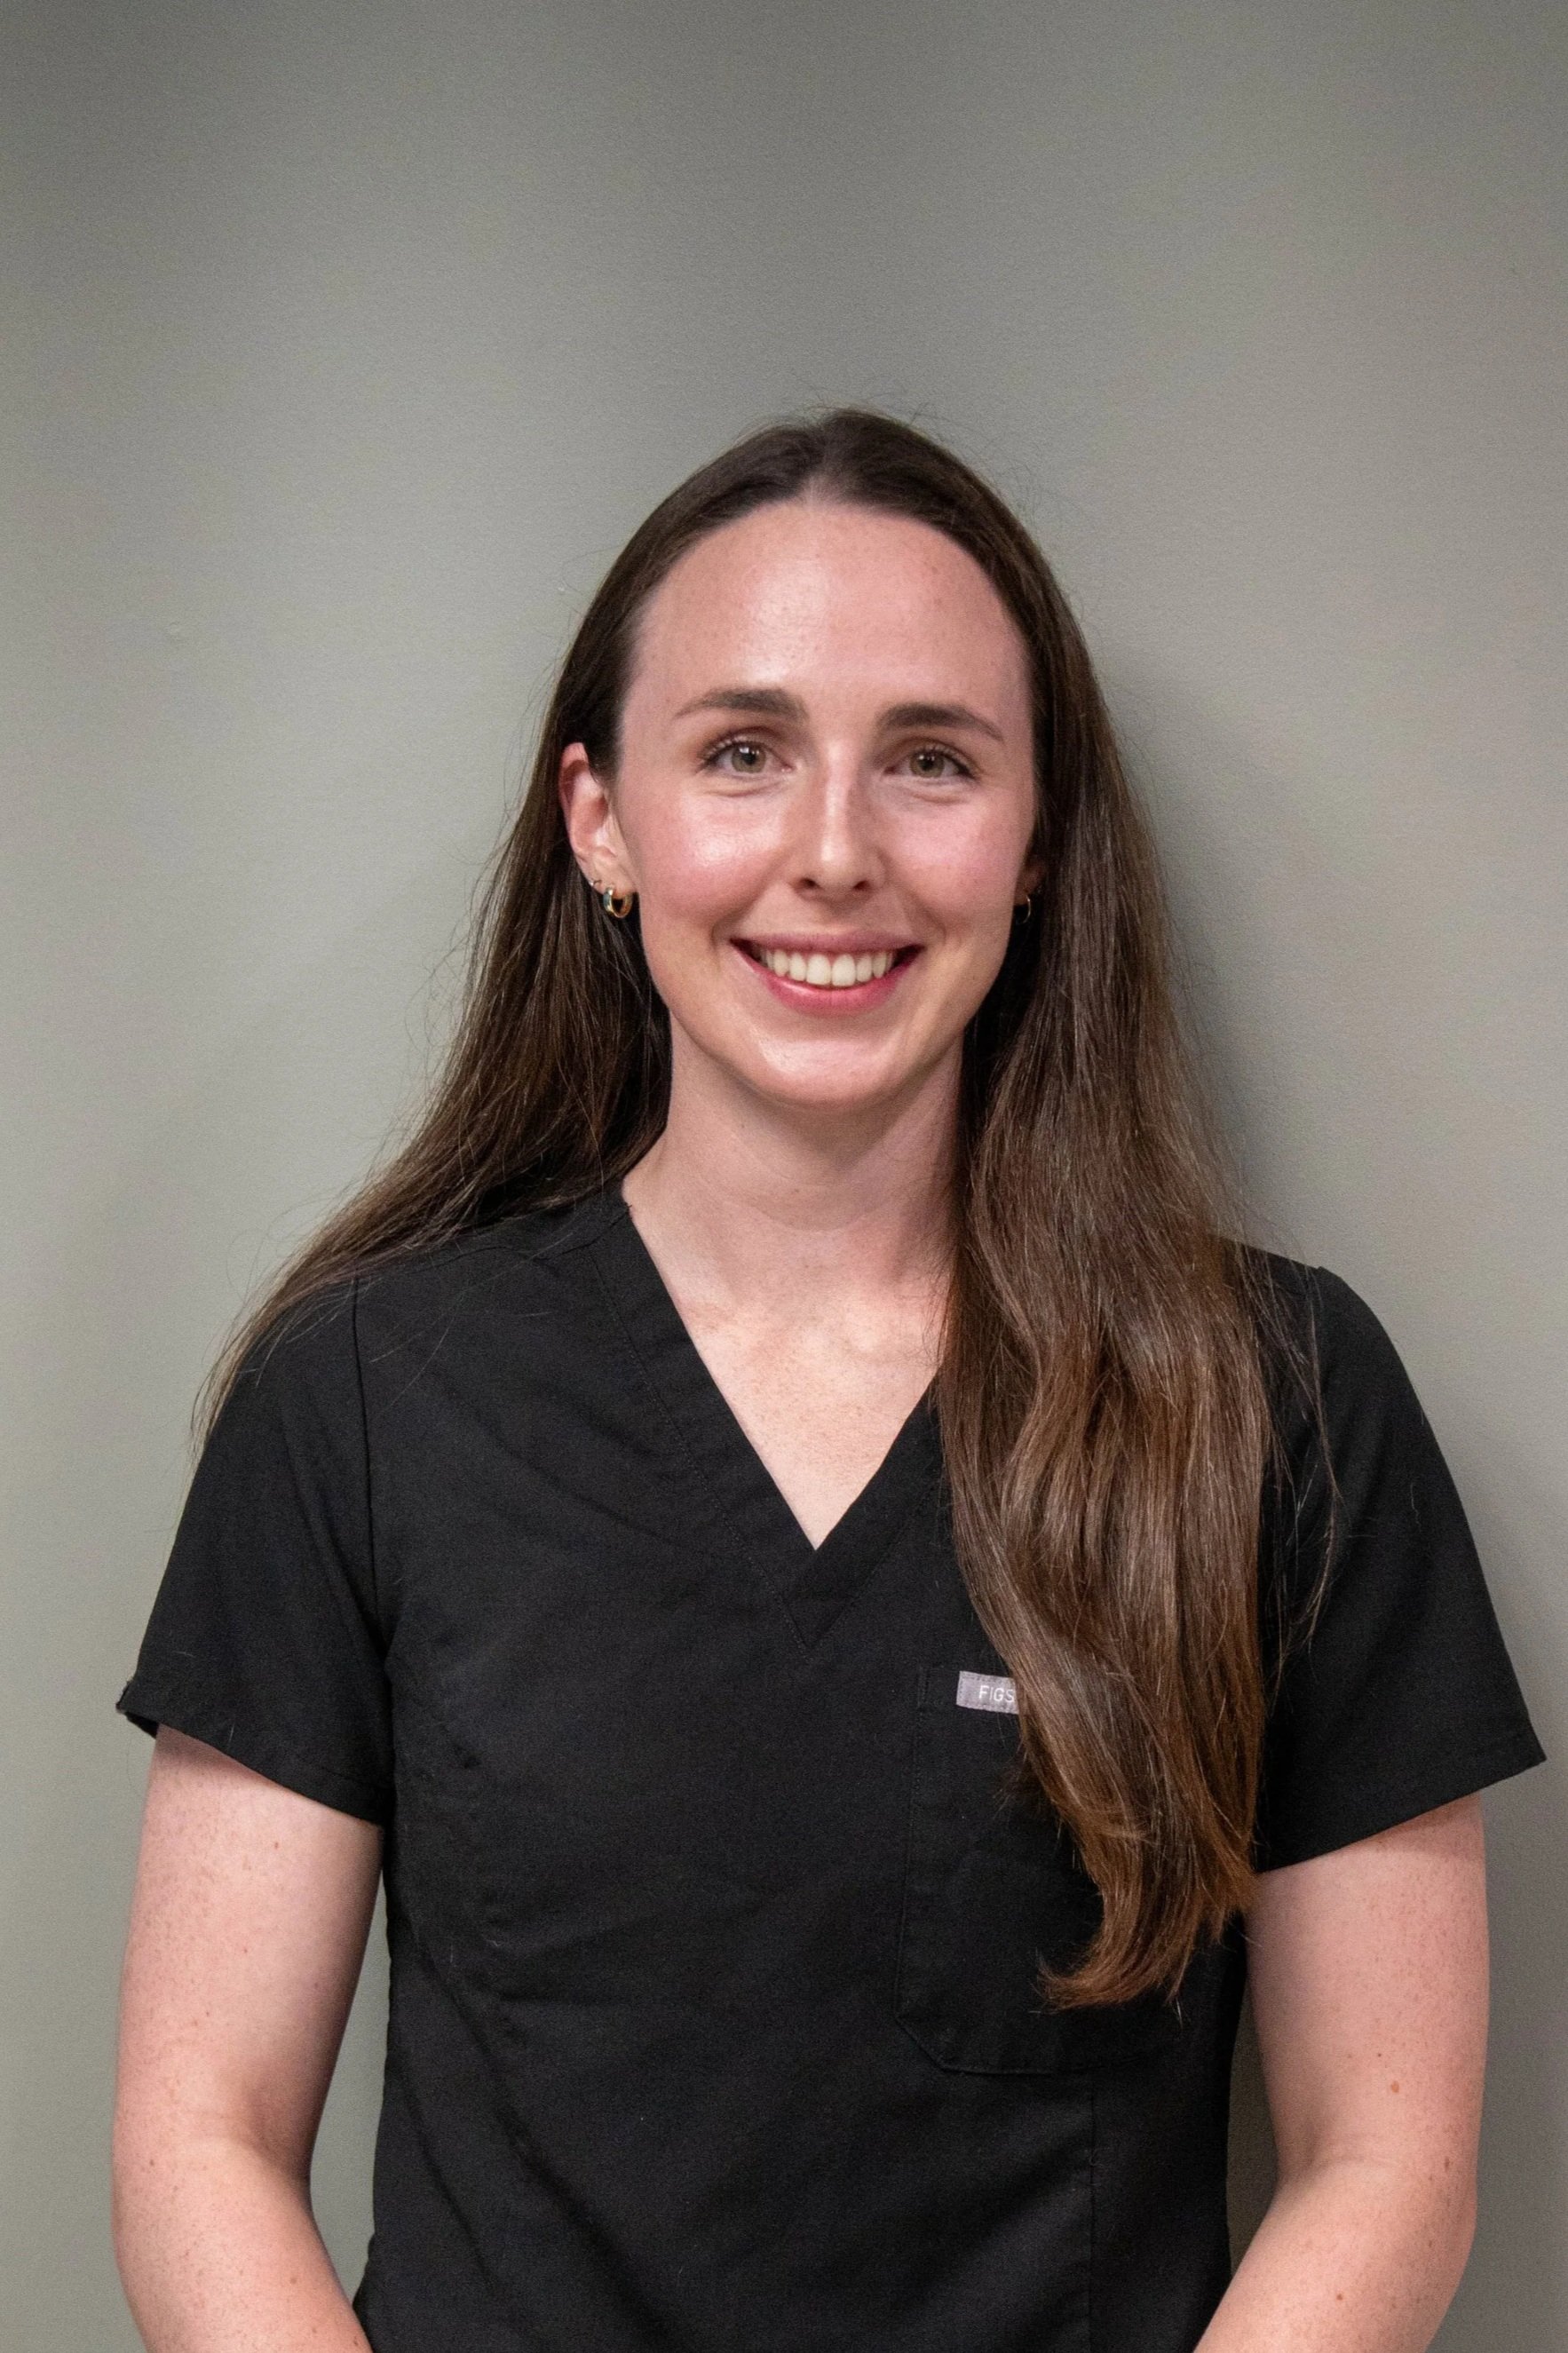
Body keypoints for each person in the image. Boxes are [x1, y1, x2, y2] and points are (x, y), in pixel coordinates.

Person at [111, 408, 1544, 2353]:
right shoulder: (360, 1398)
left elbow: (1390, 2156)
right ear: (600, 819)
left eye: (932, 761)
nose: (835, 853)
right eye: (741, 752)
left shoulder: (1277, 1402)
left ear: (1040, 840)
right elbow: (199, 2134)